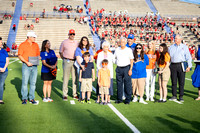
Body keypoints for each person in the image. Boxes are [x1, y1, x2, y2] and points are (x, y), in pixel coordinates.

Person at [168, 34, 192, 102]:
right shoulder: (171, 47)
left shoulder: (184, 47)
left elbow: (188, 57)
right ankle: (174, 95)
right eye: (175, 38)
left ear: (180, 39)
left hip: (181, 64)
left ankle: (181, 96)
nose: (175, 39)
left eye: (176, 38)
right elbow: (168, 57)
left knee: (181, 81)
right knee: (173, 81)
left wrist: (189, 66)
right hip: (173, 65)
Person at [18, 31, 40, 105]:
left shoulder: (36, 45)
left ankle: (31, 98)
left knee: (33, 83)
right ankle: (24, 98)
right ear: (29, 37)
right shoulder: (22, 45)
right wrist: (27, 62)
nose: (35, 38)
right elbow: (20, 55)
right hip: (26, 65)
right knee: (25, 82)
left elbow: (38, 55)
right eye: (33, 37)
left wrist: (38, 58)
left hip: (34, 66)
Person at [59, 29, 79, 101]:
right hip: (67, 60)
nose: (72, 35)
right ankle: (65, 94)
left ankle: (75, 94)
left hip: (75, 61)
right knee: (66, 78)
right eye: (71, 34)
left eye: (73, 34)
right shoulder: (64, 42)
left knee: (75, 79)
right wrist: (64, 59)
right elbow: (61, 52)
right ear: (68, 34)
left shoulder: (77, 42)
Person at [114, 37, 133, 104]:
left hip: (126, 68)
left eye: (123, 42)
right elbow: (114, 58)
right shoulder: (117, 50)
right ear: (119, 42)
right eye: (121, 42)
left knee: (127, 84)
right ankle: (119, 99)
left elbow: (131, 60)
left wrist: (130, 69)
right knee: (119, 84)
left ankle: (128, 99)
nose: (122, 43)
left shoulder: (128, 50)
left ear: (125, 43)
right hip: (119, 68)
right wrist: (117, 63)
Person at [0, 37, 9, 104]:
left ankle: (0, 99)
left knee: (1, 84)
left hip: (4, 71)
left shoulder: (4, 51)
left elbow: (7, 61)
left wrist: (4, 68)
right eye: (0, 42)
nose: (1, 43)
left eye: (1, 42)